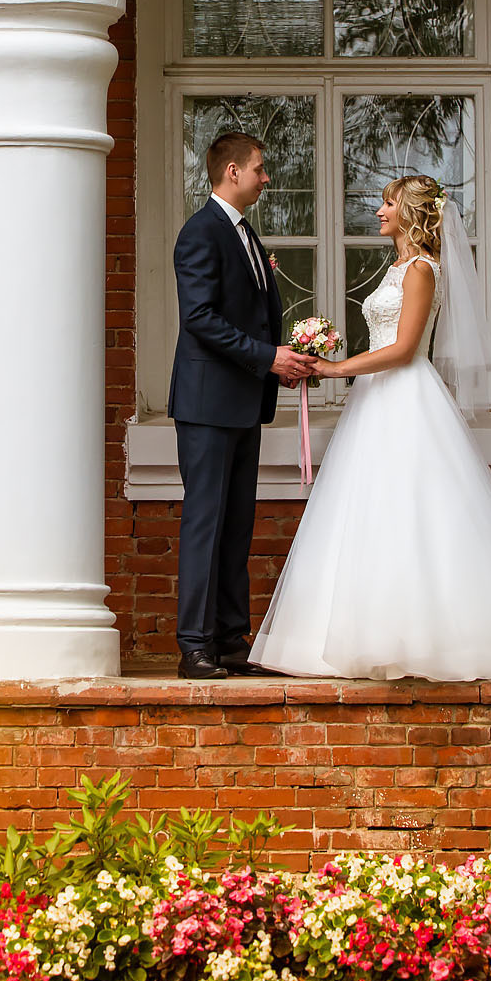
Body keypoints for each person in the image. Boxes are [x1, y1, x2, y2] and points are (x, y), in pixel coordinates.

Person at [247, 174, 491, 681]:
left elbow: (403, 349)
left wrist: (331, 368)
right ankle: (354, 634)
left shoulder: (421, 270)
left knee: (414, 508)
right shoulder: (394, 267)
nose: (378, 212)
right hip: (373, 401)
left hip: (408, 396)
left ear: (410, 211)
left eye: (387, 203)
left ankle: (431, 638)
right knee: (369, 509)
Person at [169, 131, 316, 680]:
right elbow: (200, 318)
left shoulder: (245, 234)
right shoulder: (201, 232)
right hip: (207, 405)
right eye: (260, 168)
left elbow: (249, 312)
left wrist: (278, 359)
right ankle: (195, 647)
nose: (266, 176)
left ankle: (231, 641)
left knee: (237, 525)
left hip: (243, 403)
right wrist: (267, 357)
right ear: (232, 172)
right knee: (205, 524)